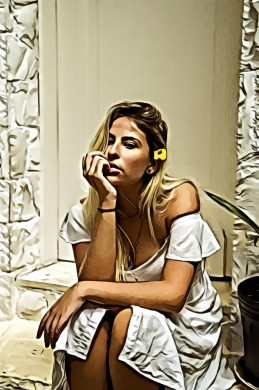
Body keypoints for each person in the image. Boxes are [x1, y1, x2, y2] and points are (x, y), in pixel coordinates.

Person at [37, 101, 236, 390]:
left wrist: (81, 289)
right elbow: (98, 289)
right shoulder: (84, 214)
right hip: (121, 310)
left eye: (129, 144)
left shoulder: (177, 199)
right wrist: (107, 202)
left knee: (131, 324)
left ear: (152, 162)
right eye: (109, 141)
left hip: (180, 324)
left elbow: (173, 295)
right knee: (89, 321)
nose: (112, 151)